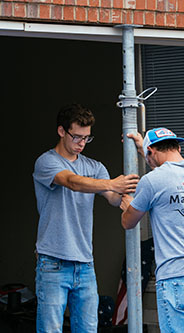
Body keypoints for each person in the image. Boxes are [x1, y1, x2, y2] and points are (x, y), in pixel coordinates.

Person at [33, 103, 139, 332]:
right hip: (52, 262)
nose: (82, 143)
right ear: (62, 131)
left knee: (88, 328)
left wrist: (125, 198)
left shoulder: (94, 167)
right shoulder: (46, 162)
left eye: (87, 138)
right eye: (77, 137)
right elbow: (71, 181)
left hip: (85, 264)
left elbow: (111, 197)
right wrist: (111, 183)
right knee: (50, 329)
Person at [120, 127, 184, 333]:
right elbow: (172, 173)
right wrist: (145, 149)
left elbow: (128, 222)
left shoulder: (152, 181)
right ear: (178, 147)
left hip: (177, 279)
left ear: (151, 153)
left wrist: (128, 205)